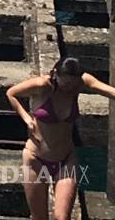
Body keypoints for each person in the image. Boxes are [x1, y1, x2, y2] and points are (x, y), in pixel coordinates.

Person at [7, 57, 115, 220]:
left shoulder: (81, 82)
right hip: (36, 159)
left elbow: (110, 91)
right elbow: (11, 93)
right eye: (66, 84)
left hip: (65, 160)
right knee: (39, 217)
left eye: (73, 85)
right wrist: (26, 118)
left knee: (62, 217)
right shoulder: (42, 85)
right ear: (55, 74)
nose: (69, 88)